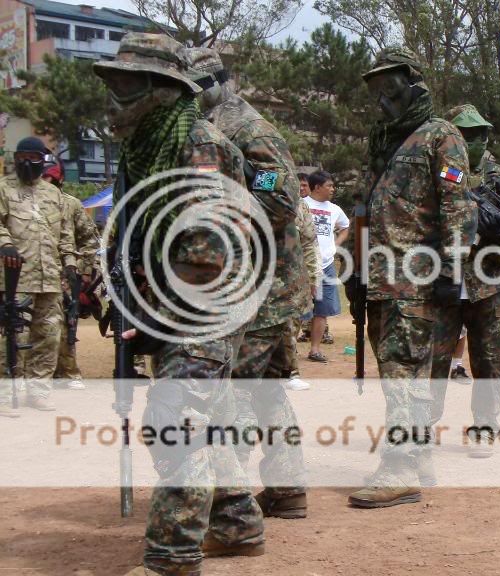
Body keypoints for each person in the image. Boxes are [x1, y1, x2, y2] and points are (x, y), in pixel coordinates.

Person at [92, 32, 263, 575]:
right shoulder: (148, 147)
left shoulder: (198, 147)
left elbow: (204, 257)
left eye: (124, 85)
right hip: (178, 306)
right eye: (112, 83)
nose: (114, 98)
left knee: (173, 418)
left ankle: (171, 556)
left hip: (207, 304)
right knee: (200, 420)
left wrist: (156, 320)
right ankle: (236, 523)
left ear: (160, 89)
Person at [187, 47, 311, 518]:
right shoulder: (219, 127)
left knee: (234, 392)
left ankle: (228, 504)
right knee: (269, 391)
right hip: (262, 287)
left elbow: (280, 201)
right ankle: (287, 488)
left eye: (195, 88)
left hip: (262, 289)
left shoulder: (248, 129)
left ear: (217, 82)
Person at [347, 48, 473, 507]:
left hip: (417, 279)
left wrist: (453, 267)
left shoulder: (442, 137)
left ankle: (400, 468)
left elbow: (457, 204)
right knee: (400, 371)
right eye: (376, 86)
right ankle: (417, 460)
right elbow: (365, 206)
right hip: (380, 278)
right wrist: (355, 265)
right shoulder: (382, 139)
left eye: (390, 84)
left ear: (412, 82)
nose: (383, 95)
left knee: (403, 372)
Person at [428, 103, 500, 462]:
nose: (477, 140)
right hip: (445, 281)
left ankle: (484, 427)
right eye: (468, 134)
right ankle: (423, 427)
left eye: (481, 133)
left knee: (488, 360)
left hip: (490, 282)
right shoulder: (437, 171)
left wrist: (490, 226)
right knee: (434, 359)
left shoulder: (498, 176)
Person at [0, 137, 76, 416]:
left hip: (50, 277)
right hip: (14, 276)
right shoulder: (3, 188)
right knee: (10, 336)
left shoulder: (53, 194)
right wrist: (4, 243)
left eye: (32, 156)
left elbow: (66, 234)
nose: (26, 162)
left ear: (42, 159)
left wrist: (70, 264)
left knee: (49, 334)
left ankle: (38, 391)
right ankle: (6, 395)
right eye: (21, 156)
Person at [44, 161, 99, 390]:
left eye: (52, 179)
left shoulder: (71, 205)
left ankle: (67, 372)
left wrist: (83, 271)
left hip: (66, 274)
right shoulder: (23, 203)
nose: (47, 184)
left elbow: (90, 240)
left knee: (67, 323)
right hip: (33, 274)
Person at [304, 170, 349, 362]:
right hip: (304, 265)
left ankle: (315, 350)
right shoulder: (302, 205)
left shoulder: (335, 209)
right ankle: (290, 353)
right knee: (300, 310)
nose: (333, 189)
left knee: (322, 310)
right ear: (317, 187)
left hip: (327, 265)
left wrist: (334, 246)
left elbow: (345, 227)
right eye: (329, 185)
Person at [282, 172, 321, 391]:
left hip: (291, 278)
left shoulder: (300, 206)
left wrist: (313, 277)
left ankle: (290, 372)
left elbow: (309, 243)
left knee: (290, 326)